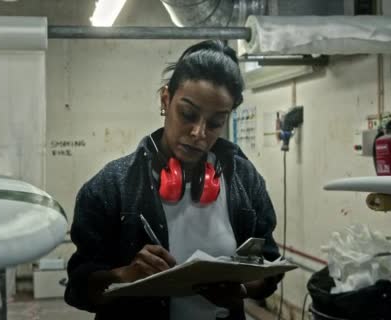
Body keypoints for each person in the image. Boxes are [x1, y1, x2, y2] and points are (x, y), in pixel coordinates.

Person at [64, 40, 282, 320]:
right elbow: (79, 289)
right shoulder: (111, 187)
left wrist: (241, 288)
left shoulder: (244, 180)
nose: (198, 132)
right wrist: (124, 274)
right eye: (188, 114)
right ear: (166, 100)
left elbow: (269, 267)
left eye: (215, 122)